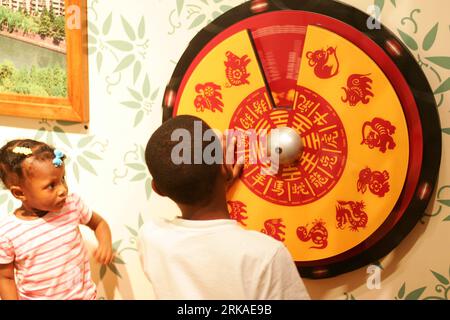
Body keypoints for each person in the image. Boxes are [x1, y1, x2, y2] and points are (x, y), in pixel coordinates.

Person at [138, 115, 310, 299]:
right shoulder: (266, 256)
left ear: (157, 190)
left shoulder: (150, 237)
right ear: (223, 166)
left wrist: (216, 184)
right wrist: (217, 184)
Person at [0, 139, 113, 300]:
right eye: (51, 185)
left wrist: (105, 243)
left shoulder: (72, 205)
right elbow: (5, 278)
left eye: (62, 179)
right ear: (19, 193)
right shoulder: (8, 233)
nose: (62, 190)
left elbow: (99, 223)